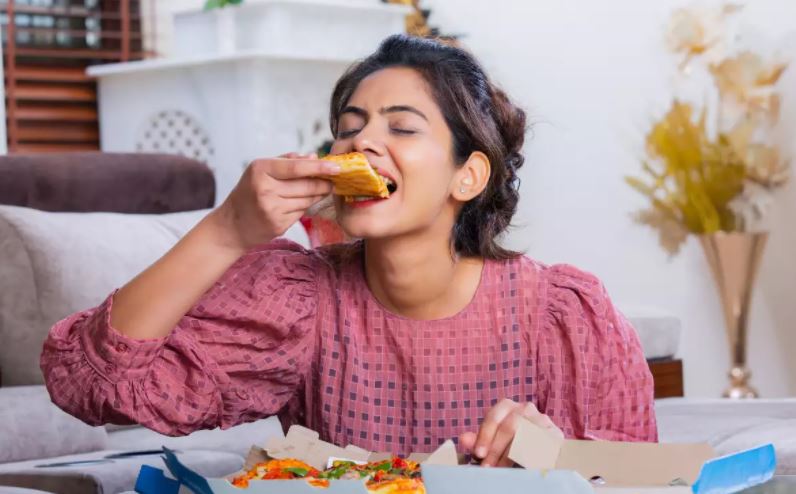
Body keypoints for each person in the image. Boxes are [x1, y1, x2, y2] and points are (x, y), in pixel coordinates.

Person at [41, 35, 656, 468]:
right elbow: (92, 384)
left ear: (467, 176)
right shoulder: (297, 305)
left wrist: (551, 457)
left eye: (402, 126)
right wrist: (227, 229)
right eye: (350, 124)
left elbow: (644, 478)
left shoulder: (563, 315)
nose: (361, 140)